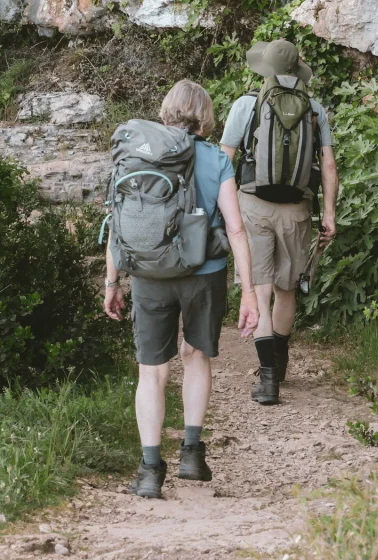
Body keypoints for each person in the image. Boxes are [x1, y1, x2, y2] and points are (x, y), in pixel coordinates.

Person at [104, 80, 259, 500]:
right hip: (203, 272)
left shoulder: (136, 155)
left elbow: (118, 223)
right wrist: (248, 291)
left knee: (151, 373)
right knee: (195, 357)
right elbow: (236, 227)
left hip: (149, 275)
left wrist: (112, 281)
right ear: (207, 118)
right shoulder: (215, 160)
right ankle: (191, 453)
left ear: (166, 111)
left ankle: (150, 470)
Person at [220, 39, 338, 404]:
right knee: (287, 289)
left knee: (260, 287)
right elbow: (329, 166)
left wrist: (221, 210)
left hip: (253, 205)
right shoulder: (315, 109)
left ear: (265, 69)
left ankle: (267, 379)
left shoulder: (246, 104)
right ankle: (280, 365)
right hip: (298, 209)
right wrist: (330, 213)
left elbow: (225, 159)